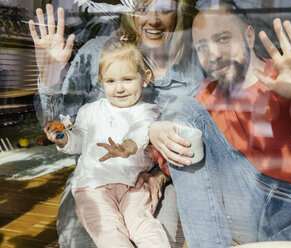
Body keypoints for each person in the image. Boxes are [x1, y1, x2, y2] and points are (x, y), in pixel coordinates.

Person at [148, 2, 291, 248]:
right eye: (202, 47)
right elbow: (182, 165)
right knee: (182, 108)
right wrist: (156, 132)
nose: (213, 55)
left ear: (249, 35)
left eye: (223, 39)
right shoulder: (204, 100)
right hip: (247, 209)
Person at [28, 1, 204, 247]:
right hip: (94, 180)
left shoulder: (191, 70)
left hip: (147, 182)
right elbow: (61, 126)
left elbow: (195, 142)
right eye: (143, 7)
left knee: (159, 237)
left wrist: (162, 176)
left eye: (164, 9)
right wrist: (49, 77)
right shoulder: (96, 52)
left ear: (178, 13)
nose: (153, 20)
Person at [44, 39, 170, 248]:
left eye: (127, 79)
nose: (119, 88)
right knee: (109, 232)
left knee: (146, 227)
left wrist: (127, 147)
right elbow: (80, 141)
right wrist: (65, 138)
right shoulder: (90, 111)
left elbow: (140, 130)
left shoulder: (147, 110)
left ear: (145, 78)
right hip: (93, 187)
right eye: (111, 81)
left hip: (134, 185)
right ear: (102, 81)